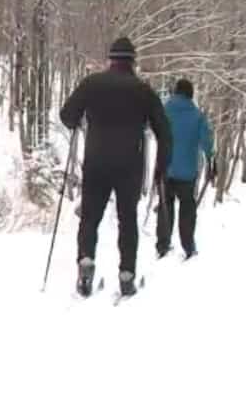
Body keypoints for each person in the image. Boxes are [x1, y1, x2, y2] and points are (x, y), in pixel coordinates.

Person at [59, 36, 171, 297]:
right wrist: (161, 167)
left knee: (90, 217)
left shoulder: (91, 84)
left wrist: (80, 119)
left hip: (96, 161)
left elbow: (67, 116)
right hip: (129, 165)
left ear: (110, 59)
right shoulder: (143, 90)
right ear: (133, 62)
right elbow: (165, 132)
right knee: (127, 219)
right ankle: (127, 274)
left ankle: (86, 261)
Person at [156, 78, 215, 260]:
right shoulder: (197, 116)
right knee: (187, 208)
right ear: (191, 94)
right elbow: (207, 142)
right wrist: (212, 161)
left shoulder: (164, 111)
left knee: (165, 206)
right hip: (188, 171)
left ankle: (163, 245)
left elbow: (154, 131)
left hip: (165, 168)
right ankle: (188, 246)